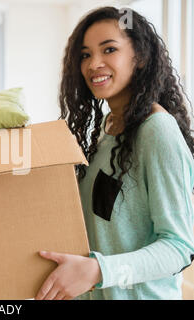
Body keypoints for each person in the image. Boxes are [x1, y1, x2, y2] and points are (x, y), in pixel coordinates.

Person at [35, 6, 194, 300]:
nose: (94, 63)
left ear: (141, 57)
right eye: (85, 55)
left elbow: (178, 247)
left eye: (109, 49)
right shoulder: (105, 128)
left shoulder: (156, 131)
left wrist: (97, 271)